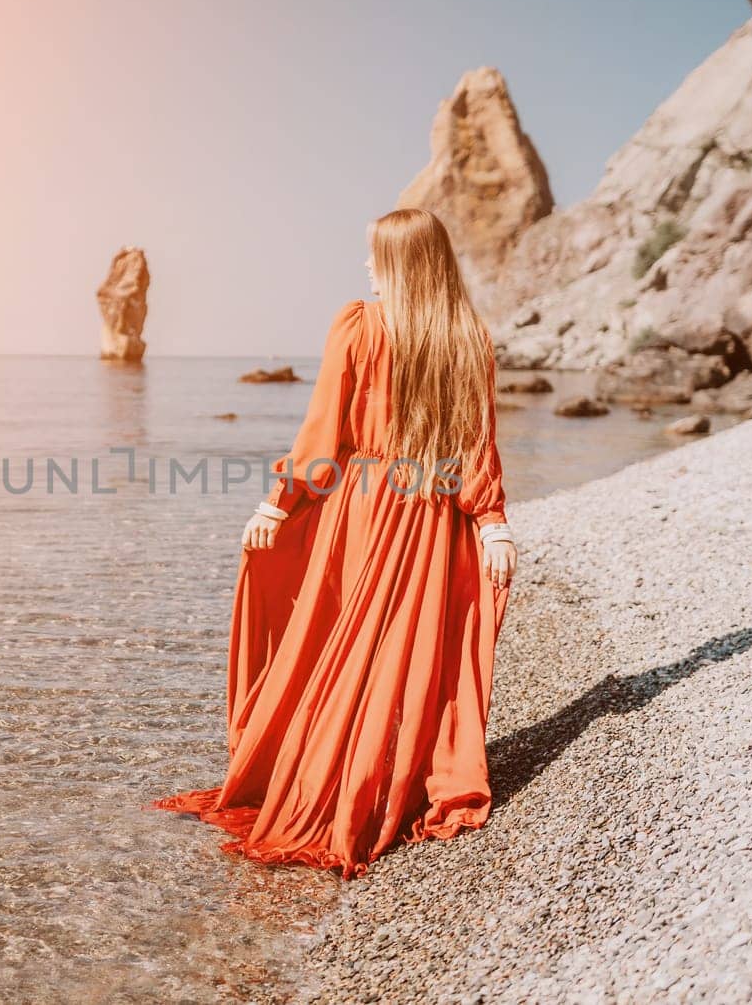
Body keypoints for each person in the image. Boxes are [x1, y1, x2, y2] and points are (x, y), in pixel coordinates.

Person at [154, 208, 516, 878]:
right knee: (393, 661)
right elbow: (475, 447)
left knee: (335, 648)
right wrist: (490, 521)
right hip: (430, 520)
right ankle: (383, 783)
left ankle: (331, 781)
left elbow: (322, 436)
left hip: (361, 508)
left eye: (375, 255)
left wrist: (277, 502)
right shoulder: (467, 336)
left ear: (402, 264)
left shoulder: (359, 325)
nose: (366, 267)